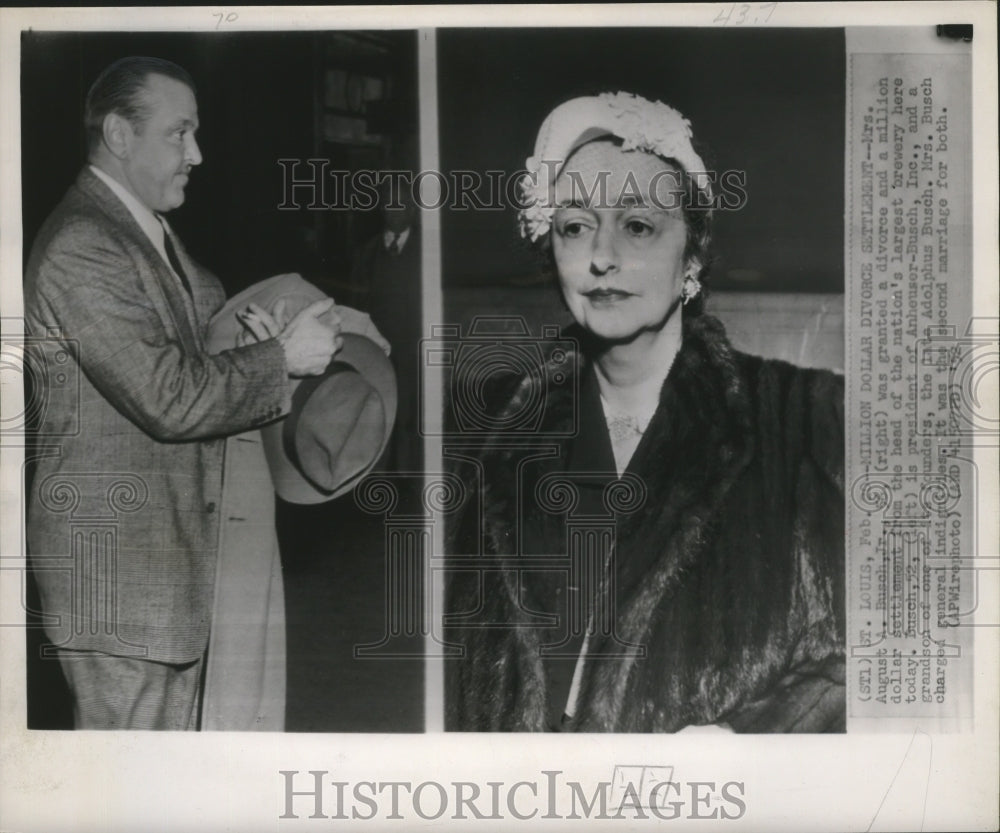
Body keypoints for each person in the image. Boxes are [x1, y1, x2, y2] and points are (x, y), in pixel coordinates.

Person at [445, 92, 845, 733]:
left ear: (691, 257)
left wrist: (740, 749)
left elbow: (865, 663)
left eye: (638, 226)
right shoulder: (503, 432)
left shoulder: (802, 421)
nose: (602, 256)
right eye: (575, 226)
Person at [24, 56, 341, 730]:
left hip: (169, 570)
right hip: (119, 582)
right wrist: (277, 357)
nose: (196, 154)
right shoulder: (83, 244)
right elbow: (166, 395)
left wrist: (251, 338)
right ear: (118, 133)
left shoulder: (148, 232)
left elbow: (192, 341)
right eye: (179, 133)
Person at [350, 176, 422, 472]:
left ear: (414, 210)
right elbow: (356, 304)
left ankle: (406, 475)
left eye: (402, 204)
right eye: (389, 203)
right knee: (374, 409)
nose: (395, 210)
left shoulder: (427, 253)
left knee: (408, 413)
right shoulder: (365, 254)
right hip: (375, 349)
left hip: (411, 349)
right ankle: (373, 473)